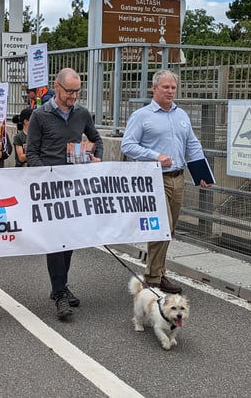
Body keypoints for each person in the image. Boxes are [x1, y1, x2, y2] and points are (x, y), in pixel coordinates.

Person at [121, 69, 213, 294]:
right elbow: (128, 145)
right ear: (154, 89)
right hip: (155, 178)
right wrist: (155, 156)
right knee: (160, 228)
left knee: (169, 229)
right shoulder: (142, 116)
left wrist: (202, 173)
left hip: (178, 177)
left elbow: (192, 144)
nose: (170, 91)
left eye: (173, 87)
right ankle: (153, 278)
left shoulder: (181, 115)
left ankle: (156, 273)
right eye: (165, 87)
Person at [25, 68, 103, 319]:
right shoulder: (40, 115)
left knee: (69, 239)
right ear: (56, 88)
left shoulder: (82, 114)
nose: (73, 96)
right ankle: (60, 294)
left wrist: (97, 156)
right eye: (69, 91)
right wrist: (45, 175)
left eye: (77, 91)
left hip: (74, 188)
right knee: (55, 241)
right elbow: (32, 153)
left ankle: (60, 285)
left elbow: (96, 138)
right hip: (50, 188)